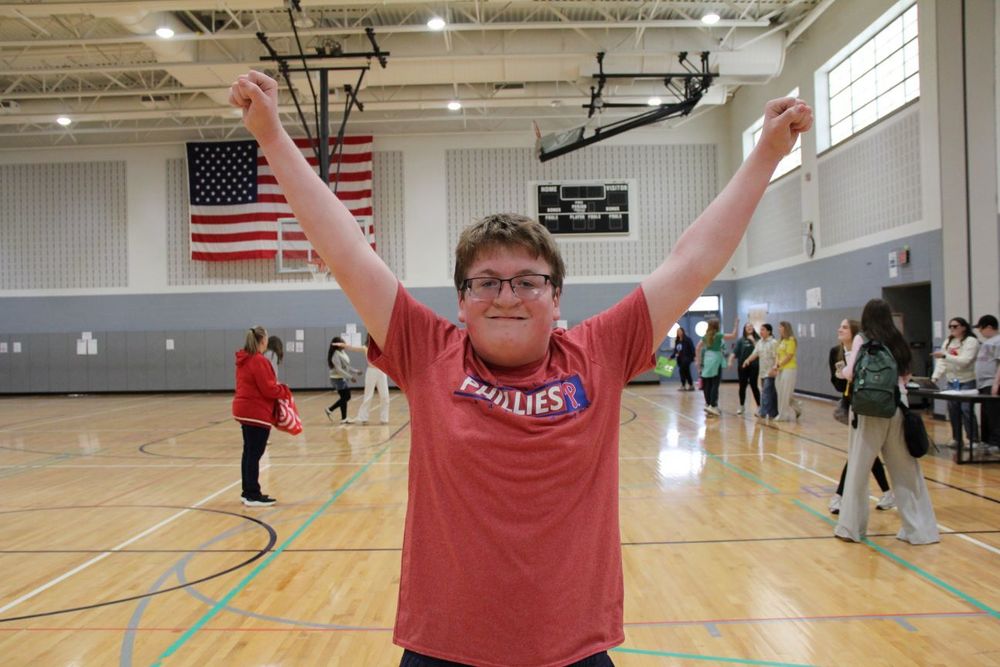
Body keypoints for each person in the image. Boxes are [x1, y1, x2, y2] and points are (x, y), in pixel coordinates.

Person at [230, 69, 812, 667]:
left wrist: (766, 151)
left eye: (528, 281)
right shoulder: (427, 351)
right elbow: (346, 248)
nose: (506, 296)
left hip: (571, 649)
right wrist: (272, 135)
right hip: (444, 648)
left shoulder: (599, 353)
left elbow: (693, 260)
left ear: (556, 297)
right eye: (486, 281)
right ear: (461, 301)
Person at [834, 299, 939, 545]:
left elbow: (851, 373)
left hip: (868, 408)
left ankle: (851, 528)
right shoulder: (898, 339)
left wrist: (843, 368)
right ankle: (919, 531)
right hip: (898, 405)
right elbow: (907, 375)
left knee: (859, 469)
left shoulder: (862, 339)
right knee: (906, 471)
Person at [827, 319, 894, 515]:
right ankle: (887, 493)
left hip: (867, 404)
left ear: (855, 332)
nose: (840, 329)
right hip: (851, 405)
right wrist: (841, 375)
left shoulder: (864, 351)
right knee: (865, 451)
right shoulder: (835, 352)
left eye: (845, 327)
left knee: (859, 450)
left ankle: (839, 496)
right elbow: (837, 385)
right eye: (840, 326)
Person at [232, 325, 290, 507]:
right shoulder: (258, 360)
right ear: (263, 340)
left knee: (249, 452)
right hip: (255, 411)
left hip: (244, 409)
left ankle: (247, 491)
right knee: (254, 453)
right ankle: (252, 494)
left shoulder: (244, 359)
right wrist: (284, 390)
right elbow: (268, 388)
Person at [931, 316, 981, 447]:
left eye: (955, 326)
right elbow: (942, 362)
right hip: (952, 381)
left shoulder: (971, 341)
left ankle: (973, 439)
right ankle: (957, 438)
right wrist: (935, 377)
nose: (952, 329)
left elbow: (965, 361)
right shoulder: (948, 341)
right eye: (950, 326)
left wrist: (945, 355)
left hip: (967, 380)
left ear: (963, 327)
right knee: (953, 410)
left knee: (966, 409)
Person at [338, 335, 392, 425]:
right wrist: (344, 345)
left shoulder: (382, 347)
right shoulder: (365, 348)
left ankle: (384, 418)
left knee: (385, 396)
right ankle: (363, 417)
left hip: (382, 372)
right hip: (371, 372)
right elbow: (353, 348)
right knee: (368, 395)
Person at [698, 316, 739, 416]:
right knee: (715, 384)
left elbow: (697, 348)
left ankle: (708, 404)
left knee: (708, 383)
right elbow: (733, 335)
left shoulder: (705, 336)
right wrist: (736, 324)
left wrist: (698, 361)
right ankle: (713, 405)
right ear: (717, 326)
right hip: (715, 360)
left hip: (707, 359)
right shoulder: (718, 335)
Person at [973, 315, 1000, 452]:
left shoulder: (997, 341)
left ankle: (996, 442)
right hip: (983, 384)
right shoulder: (987, 342)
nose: (980, 332)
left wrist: (996, 382)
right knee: (986, 414)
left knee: (994, 414)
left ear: (989, 327)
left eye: (981, 328)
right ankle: (986, 440)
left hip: (991, 382)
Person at [742, 323, 779, 421]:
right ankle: (773, 413)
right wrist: (747, 360)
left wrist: (775, 367)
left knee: (766, 392)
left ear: (769, 331)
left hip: (770, 372)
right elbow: (755, 354)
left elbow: (777, 356)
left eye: (763, 330)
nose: (761, 332)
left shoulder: (774, 343)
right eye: (760, 329)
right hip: (762, 372)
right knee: (771, 393)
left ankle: (762, 412)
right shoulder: (760, 342)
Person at [772, 321, 803, 422]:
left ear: (785, 328)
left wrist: (779, 364)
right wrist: (776, 365)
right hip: (780, 369)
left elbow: (789, 356)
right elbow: (777, 354)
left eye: (780, 327)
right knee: (780, 391)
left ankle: (783, 415)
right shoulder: (780, 341)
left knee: (785, 392)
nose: (779, 329)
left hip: (789, 369)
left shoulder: (791, 340)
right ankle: (797, 406)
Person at [326, 336, 359, 423]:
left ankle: (343, 418)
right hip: (337, 379)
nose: (344, 344)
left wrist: (356, 371)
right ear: (338, 345)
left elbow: (346, 366)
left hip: (341, 378)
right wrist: (350, 377)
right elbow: (339, 370)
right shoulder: (335, 355)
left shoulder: (342, 352)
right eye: (342, 343)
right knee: (346, 396)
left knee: (344, 397)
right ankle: (330, 409)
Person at [730, 322, 760, 415]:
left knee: (754, 385)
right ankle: (742, 406)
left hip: (754, 365)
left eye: (751, 326)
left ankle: (759, 406)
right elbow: (734, 352)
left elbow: (759, 350)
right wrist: (730, 361)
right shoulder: (741, 340)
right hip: (742, 366)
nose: (749, 328)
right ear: (744, 329)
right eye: (747, 327)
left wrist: (753, 341)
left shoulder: (758, 339)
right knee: (742, 386)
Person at [670, 326, 696, 391]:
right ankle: (691, 385)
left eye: (680, 331)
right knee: (687, 372)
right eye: (677, 332)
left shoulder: (687, 340)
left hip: (687, 358)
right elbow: (676, 351)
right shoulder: (677, 341)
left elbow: (692, 348)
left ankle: (683, 385)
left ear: (683, 332)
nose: (679, 333)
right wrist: (671, 357)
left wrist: (693, 357)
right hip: (680, 359)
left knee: (681, 370)